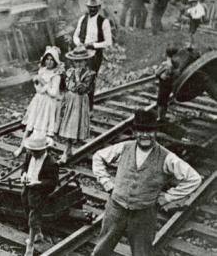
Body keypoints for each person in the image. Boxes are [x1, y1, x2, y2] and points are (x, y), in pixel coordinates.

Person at [91, 110, 202, 256]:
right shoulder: (124, 147)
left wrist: (168, 197)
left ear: (155, 132)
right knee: (101, 249)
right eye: (141, 130)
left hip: (144, 215)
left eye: (149, 131)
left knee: (142, 252)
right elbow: (98, 157)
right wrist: (106, 183)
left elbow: (194, 178)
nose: (145, 135)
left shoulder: (166, 157)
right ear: (135, 132)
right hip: (116, 209)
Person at [13, 46, 64, 157]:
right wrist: (39, 84)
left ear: (55, 61)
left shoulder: (56, 75)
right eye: (47, 59)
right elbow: (38, 89)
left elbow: (54, 93)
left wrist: (44, 83)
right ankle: (21, 147)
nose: (49, 62)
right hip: (38, 101)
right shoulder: (42, 71)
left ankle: (42, 150)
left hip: (48, 103)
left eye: (51, 60)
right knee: (30, 125)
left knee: (43, 127)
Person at [20, 134, 59, 256]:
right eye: (32, 150)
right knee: (27, 208)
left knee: (33, 215)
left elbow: (53, 182)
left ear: (43, 150)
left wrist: (39, 183)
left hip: (39, 192)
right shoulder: (29, 155)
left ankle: (30, 244)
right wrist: (24, 175)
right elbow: (24, 167)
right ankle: (38, 233)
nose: (32, 153)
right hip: (27, 188)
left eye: (36, 151)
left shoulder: (51, 163)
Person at [56, 45, 96, 164]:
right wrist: (62, 76)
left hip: (79, 101)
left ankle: (66, 151)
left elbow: (82, 89)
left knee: (72, 125)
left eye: (81, 62)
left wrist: (77, 77)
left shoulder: (89, 74)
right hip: (70, 99)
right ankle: (68, 150)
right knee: (66, 123)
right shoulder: (69, 72)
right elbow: (65, 87)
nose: (78, 64)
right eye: (76, 62)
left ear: (85, 61)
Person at [72, 0, 113, 109]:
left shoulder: (104, 22)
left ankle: (89, 107)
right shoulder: (82, 19)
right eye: (90, 7)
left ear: (99, 7)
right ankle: (79, 105)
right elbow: (75, 35)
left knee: (89, 80)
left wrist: (93, 45)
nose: (92, 9)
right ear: (87, 7)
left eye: (95, 7)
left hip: (95, 54)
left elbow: (108, 42)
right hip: (81, 54)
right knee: (78, 79)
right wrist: (78, 43)